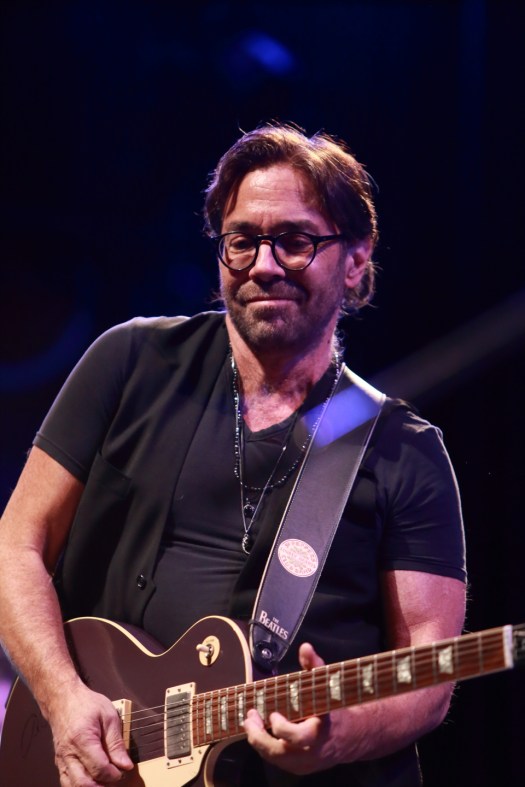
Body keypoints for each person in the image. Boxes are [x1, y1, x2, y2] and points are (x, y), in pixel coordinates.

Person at [0, 122, 466, 787]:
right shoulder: (131, 362)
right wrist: (61, 696)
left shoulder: (404, 451)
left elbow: (430, 672)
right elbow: (15, 544)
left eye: (295, 241)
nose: (263, 265)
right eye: (242, 240)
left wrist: (339, 737)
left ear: (355, 261)